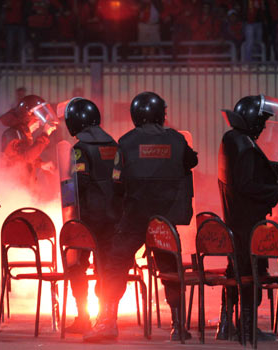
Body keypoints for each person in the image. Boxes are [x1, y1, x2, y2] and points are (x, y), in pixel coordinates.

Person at [83, 91, 198, 342]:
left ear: (136, 115)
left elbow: (117, 182)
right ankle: (178, 326)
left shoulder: (125, 142)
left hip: (134, 217)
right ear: (161, 115)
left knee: (115, 265)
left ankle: (107, 323)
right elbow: (192, 161)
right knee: (170, 269)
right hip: (164, 222)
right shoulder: (177, 140)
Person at [218, 95, 278, 343]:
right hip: (249, 225)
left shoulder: (232, 139)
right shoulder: (245, 145)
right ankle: (247, 329)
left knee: (236, 272)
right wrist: (277, 190)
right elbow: (247, 184)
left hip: (235, 221)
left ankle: (226, 325)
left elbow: (245, 174)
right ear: (253, 120)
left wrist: (273, 169)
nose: (265, 125)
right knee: (251, 276)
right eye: (263, 120)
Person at [62, 97, 119, 333]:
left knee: (75, 265)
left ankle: (84, 316)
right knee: (106, 268)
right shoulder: (114, 145)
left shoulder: (80, 149)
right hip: (114, 217)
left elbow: (78, 183)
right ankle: (107, 317)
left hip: (88, 219)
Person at [0, 94, 58, 193]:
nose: (39, 123)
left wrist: (41, 164)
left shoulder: (22, 135)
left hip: (25, 190)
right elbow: (23, 158)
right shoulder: (12, 134)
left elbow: (24, 157)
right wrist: (45, 133)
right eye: (36, 120)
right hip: (14, 191)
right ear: (27, 118)